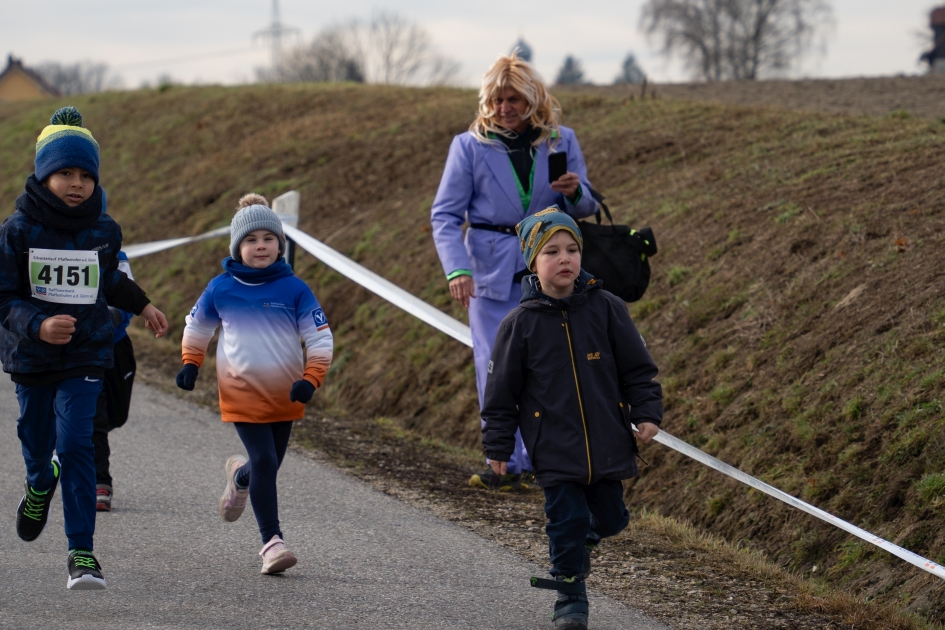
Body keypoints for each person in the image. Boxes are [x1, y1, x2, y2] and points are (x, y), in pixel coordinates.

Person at [0, 106, 168, 590]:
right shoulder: (16, 232)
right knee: (38, 445)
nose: (76, 183)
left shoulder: (103, 230)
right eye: (64, 173)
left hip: (87, 353)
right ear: (43, 174)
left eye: (85, 175)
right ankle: (36, 486)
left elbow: (109, 279)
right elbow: (4, 297)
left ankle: (82, 553)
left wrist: (143, 304)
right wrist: (38, 324)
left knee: (76, 444)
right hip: (31, 357)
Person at [481, 209, 663, 629]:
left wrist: (647, 413)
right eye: (552, 251)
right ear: (532, 261)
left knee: (613, 518)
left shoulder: (607, 308)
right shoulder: (519, 325)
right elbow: (501, 396)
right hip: (554, 447)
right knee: (566, 521)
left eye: (572, 249)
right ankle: (569, 598)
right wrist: (498, 447)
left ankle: (582, 541)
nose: (565, 258)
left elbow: (638, 369)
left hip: (607, 441)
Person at [430, 50, 598, 491]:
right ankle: (503, 461)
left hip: (547, 267)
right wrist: (456, 269)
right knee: (495, 364)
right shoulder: (468, 146)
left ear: (533, 99)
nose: (505, 108)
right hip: (487, 271)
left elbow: (587, 207)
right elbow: (445, 216)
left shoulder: (562, 140)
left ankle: (546, 461)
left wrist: (575, 191)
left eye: (514, 99)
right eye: (497, 99)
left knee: (547, 365)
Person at [176, 193, 333, 575]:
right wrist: (190, 364)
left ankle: (239, 477)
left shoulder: (295, 289)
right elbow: (197, 328)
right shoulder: (220, 288)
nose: (260, 246)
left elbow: (320, 338)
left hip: (285, 392)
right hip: (240, 390)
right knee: (265, 460)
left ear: (280, 244)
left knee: (268, 465)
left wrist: (311, 379)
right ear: (237, 246)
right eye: (250, 240)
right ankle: (271, 544)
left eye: (268, 238)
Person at [91, 245, 137, 512]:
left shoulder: (113, 251)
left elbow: (128, 293)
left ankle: (72, 440)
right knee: (93, 417)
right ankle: (99, 481)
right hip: (82, 349)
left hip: (116, 343)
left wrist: (117, 313)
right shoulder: (55, 247)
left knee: (116, 416)